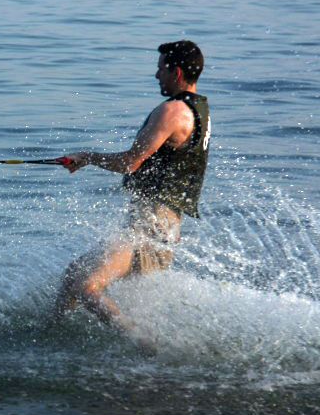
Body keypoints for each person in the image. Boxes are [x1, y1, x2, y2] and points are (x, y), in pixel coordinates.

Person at [53, 40, 211, 348]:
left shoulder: (173, 112)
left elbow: (130, 163)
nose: (156, 76)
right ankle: (50, 335)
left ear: (176, 72)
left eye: (160, 69)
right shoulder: (199, 110)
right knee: (74, 275)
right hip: (162, 224)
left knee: (86, 284)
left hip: (152, 225)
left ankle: (145, 345)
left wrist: (87, 157)